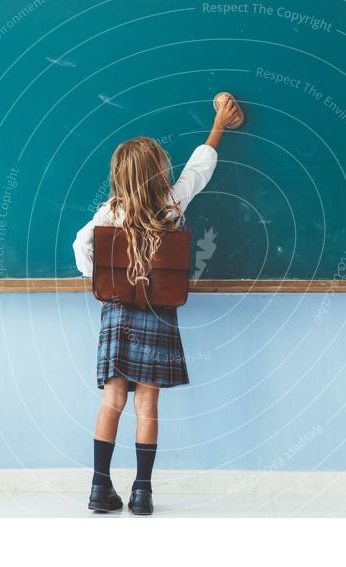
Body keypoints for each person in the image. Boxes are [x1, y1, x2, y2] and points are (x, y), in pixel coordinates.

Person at [72, 98, 242, 515]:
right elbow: (198, 171)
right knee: (148, 401)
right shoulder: (171, 205)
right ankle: (142, 493)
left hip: (117, 312)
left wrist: (98, 275)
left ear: (119, 177)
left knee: (112, 398)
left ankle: (99, 489)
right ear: (158, 173)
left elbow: (81, 246)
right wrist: (218, 125)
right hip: (157, 313)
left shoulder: (109, 212)